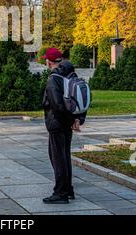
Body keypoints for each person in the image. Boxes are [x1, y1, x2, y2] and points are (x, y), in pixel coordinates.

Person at [42, 48, 86, 204]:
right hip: (67, 124)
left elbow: (57, 105)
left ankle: (60, 193)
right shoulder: (69, 74)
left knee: (58, 158)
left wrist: (65, 120)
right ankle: (68, 190)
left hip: (57, 123)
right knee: (65, 156)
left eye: (46, 59)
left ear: (49, 61)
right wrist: (76, 119)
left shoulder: (53, 79)